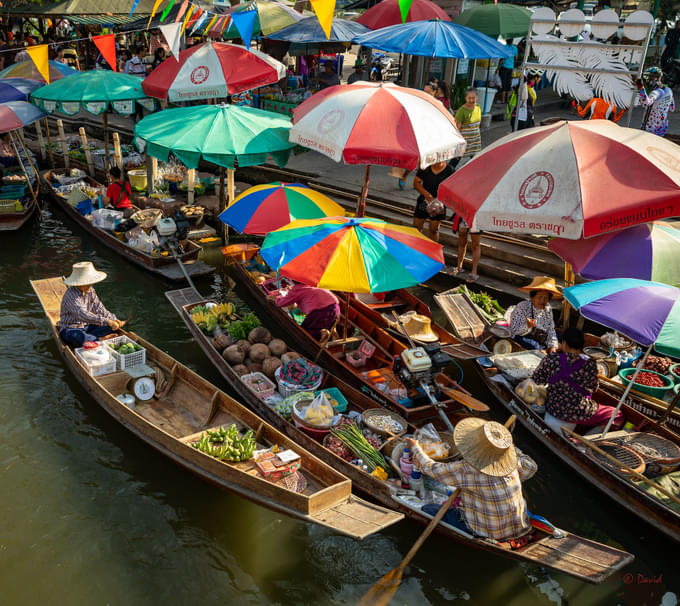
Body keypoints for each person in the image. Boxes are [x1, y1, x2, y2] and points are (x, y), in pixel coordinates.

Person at [406, 417, 537, 542]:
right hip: (520, 528)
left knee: (428, 509)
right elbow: (531, 466)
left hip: (486, 532)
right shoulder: (512, 463)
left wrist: (415, 448)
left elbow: (430, 468)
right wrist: (510, 448)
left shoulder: (469, 469)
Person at [532, 328, 625, 433]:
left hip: (553, 407)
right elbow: (594, 389)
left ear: (564, 343)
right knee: (617, 415)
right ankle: (586, 441)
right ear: (582, 347)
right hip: (578, 412)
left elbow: (537, 379)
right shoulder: (590, 365)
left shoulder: (550, 359)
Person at [58, 262, 124, 349]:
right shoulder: (71, 296)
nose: (90, 285)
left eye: (90, 282)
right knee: (74, 336)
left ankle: (90, 339)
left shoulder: (90, 290)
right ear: (77, 283)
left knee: (109, 326)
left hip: (87, 326)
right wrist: (107, 321)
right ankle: (99, 339)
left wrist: (113, 319)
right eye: (86, 283)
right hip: (71, 328)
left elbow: (99, 307)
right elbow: (83, 315)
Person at [268, 283, 340, 341]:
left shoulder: (297, 289)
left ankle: (322, 333)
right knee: (328, 325)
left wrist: (274, 299)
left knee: (305, 333)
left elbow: (281, 303)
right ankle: (332, 332)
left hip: (321, 311)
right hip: (335, 307)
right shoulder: (312, 283)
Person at [509, 276, 560, 353]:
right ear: (532, 297)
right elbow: (514, 331)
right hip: (523, 336)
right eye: (539, 297)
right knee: (534, 346)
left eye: (546, 298)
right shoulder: (522, 307)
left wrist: (552, 346)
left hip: (541, 337)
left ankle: (546, 349)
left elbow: (551, 329)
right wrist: (527, 326)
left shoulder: (548, 308)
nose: (542, 301)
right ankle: (542, 351)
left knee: (561, 337)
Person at [413, 160, 453, 242]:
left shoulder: (450, 170)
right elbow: (416, 183)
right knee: (416, 227)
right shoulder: (425, 167)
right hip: (424, 200)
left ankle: (432, 252)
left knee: (433, 229)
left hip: (439, 203)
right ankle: (414, 249)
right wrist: (427, 195)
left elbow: (453, 188)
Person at [636, 68, 675, 137]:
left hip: (649, 129)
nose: (647, 81)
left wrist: (641, 88)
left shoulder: (655, 92)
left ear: (655, 78)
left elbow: (646, 103)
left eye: (648, 78)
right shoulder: (669, 91)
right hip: (661, 128)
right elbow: (672, 108)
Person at [497, 38, 518, 104]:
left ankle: (503, 100)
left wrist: (498, 68)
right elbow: (516, 58)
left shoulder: (505, 47)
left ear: (506, 41)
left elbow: (502, 59)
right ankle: (507, 100)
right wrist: (513, 64)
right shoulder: (514, 48)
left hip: (504, 67)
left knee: (503, 83)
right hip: (510, 67)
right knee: (508, 83)